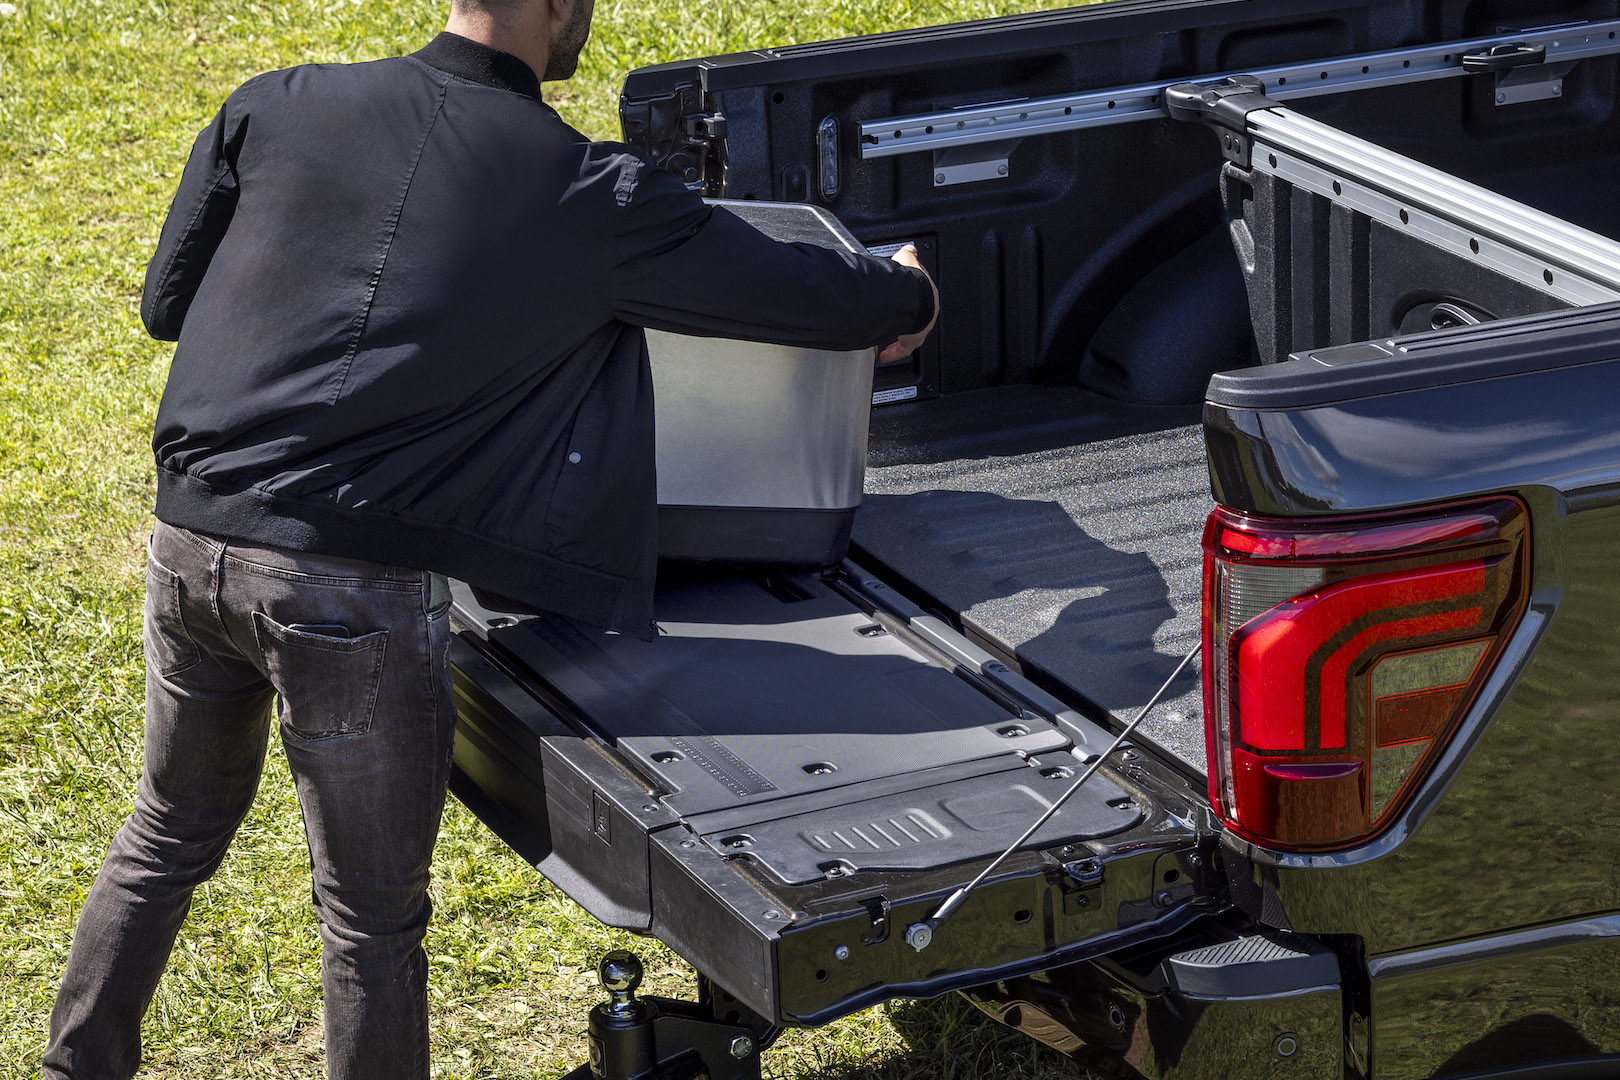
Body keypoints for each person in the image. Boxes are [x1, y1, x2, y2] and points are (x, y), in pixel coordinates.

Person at [42, 0, 939, 1074]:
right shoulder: (581, 190)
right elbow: (795, 292)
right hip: (350, 595)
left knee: (167, 829)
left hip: (189, 542)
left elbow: (165, 302)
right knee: (370, 922)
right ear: (559, 8)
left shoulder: (276, 102)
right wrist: (910, 287)